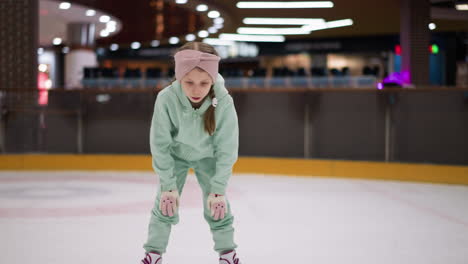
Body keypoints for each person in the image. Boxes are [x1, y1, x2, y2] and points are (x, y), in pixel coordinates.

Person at [140, 41, 242, 264]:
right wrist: (168, 185)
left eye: (204, 83)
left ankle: (227, 254)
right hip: (176, 155)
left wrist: (218, 189)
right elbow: (160, 144)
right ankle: (153, 254)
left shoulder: (223, 101)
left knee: (218, 205)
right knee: (164, 204)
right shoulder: (166, 99)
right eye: (189, 83)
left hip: (209, 157)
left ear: (213, 80)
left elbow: (227, 147)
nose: (197, 90)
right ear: (178, 78)